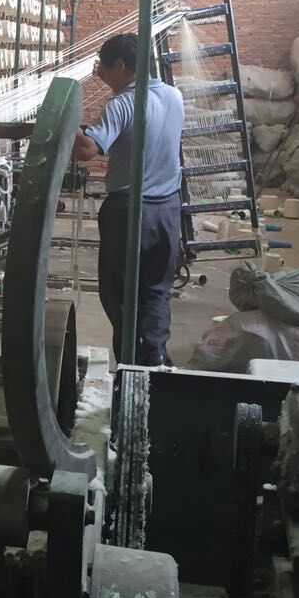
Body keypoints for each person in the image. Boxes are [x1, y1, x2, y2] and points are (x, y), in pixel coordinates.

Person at [73, 33, 185, 366]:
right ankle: (157, 359)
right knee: (156, 290)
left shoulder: (122, 104)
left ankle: (131, 366)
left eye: (107, 70)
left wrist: (63, 120)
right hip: (168, 211)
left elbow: (87, 150)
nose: (104, 77)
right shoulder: (174, 96)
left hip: (130, 213)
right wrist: (109, 81)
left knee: (120, 295)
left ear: (121, 65)